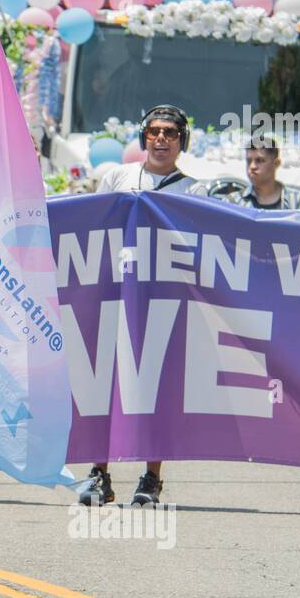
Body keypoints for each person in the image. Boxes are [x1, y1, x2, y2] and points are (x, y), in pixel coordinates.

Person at [82, 105, 197, 507]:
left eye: (170, 133)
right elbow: (90, 225)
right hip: (116, 293)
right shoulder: (117, 176)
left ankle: (151, 477)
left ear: (183, 141)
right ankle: (100, 473)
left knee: (155, 391)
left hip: (164, 300)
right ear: (143, 137)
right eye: (154, 132)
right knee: (106, 384)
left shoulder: (193, 191)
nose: (161, 139)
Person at [218, 136, 300, 210]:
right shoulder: (232, 204)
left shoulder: (299, 203)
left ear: (276, 163)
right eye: (249, 161)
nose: (252, 167)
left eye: (259, 160)